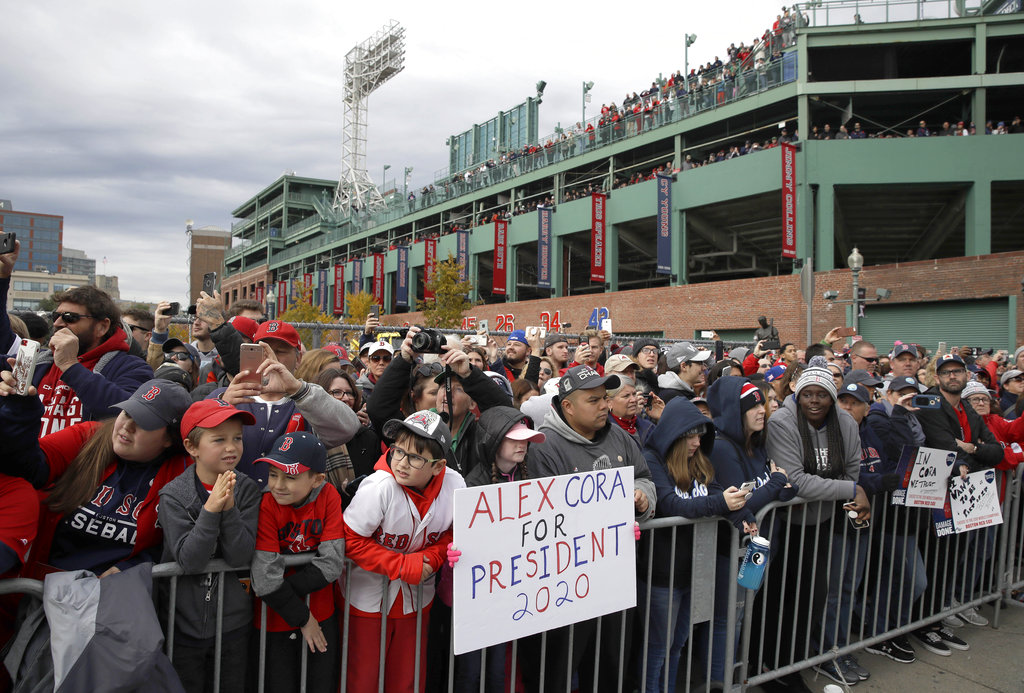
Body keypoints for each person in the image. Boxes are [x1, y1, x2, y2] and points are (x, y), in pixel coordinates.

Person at [523, 365, 656, 693]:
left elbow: (644, 476)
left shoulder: (619, 436)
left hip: (615, 579)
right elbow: (547, 517)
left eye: (605, 399)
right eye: (593, 400)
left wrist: (643, 498)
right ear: (567, 405)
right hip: (567, 587)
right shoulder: (546, 446)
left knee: (611, 666)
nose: (604, 406)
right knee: (559, 669)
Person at [0, 377, 191, 579]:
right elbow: (28, 467)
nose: (127, 426)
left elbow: (189, 542)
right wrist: (19, 411)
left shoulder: (184, 469)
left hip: (116, 599)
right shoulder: (89, 437)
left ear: (170, 438)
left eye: (144, 422)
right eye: (127, 413)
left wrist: (139, 564)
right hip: (45, 589)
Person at [342, 410, 466, 693]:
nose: (401, 463)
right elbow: (349, 539)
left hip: (417, 598)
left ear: (438, 466)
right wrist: (403, 565)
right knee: (363, 680)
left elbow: (452, 532)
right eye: (398, 451)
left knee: (407, 679)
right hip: (367, 597)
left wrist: (432, 558)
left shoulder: (455, 483)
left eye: (415, 457)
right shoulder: (378, 487)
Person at [764, 361, 868, 688]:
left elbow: (852, 468)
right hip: (781, 526)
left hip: (822, 522)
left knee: (814, 596)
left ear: (832, 398)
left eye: (821, 395)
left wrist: (850, 487)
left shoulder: (845, 424)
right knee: (777, 598)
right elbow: (796, 482)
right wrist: (850, 491)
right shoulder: (782, 421)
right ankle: (774, 666)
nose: (813, 400)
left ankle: (792, 660)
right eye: (806, 393)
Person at [638, 397, 744, 693]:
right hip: (662, 573)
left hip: (696, 570)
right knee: (657, 648)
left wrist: (742, 512)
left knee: (677, 645)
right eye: (691, 435)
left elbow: (720, 494)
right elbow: (669, 504)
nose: (697, 442)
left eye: (700, 435)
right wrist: (718, 503)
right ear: (674, 432)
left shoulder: (699, 462)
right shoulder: (652, 458)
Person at [158, 399, 260, 693]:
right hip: (183, 626)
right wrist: (211, 510)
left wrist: (228, 511)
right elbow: (190, 560)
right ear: (192, 447)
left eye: (237, 438)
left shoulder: (248, 490)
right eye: (219, 439)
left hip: (234, 624)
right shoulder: (174, 495)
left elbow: (241, 555)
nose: (231, 447)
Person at [0, 246, 153, 436]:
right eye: (55, 315)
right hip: (32, 462)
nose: (57, 323)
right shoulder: (37, 363)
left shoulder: (131, 367)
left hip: (85, 464)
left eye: (69, 317)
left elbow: (127, 415)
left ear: (102, 327)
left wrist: (70, 366)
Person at [706, 377, 796, 685]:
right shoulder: (721, 447)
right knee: (727, 620)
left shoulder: (755, 445)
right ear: (735, 411)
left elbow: (776, 489)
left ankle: (732, 680)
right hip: (731, 552)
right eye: (753, 405)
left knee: (742, 616)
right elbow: (744, 501)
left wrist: (779, 488)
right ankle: (722, 683)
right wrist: (774, 485)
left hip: (756, 550)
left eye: (763, 403)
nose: (763, 410)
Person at [450, 407, 545, 693]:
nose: (522, 444)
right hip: (477, 600)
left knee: (497, 672)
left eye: (526, 439)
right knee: (470, 674)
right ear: (493, 442)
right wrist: (452, 553)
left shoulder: (530, 480)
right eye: (513, 439)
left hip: (510, 596)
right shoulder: (471, 485)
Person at [213, 320, 361, 486]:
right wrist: (221, 407)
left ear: (298, 359)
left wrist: (297, 389)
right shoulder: (225, 395)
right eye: (261, 351)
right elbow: (195, 443)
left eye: (280, 352)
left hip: (290, 508)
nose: (270, 358)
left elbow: (349, 427)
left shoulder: (309, 401)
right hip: (234, 504)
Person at [252, 432, 345, 693]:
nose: (278, 485)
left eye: (290, 477)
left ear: (317, 479)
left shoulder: (329, 496)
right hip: (274, 620)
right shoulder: (266, 504)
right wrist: (303, 618)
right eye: (273, 474)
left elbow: (332, 563)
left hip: (321, 611)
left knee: (319, 684)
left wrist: (279, 589)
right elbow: (264, 578)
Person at [367, 327, 510, 476]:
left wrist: (469, 374)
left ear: (473, 403)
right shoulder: (417, 430)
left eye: (459, 389)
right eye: (442, 387)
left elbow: (505, 415)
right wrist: (404, 360)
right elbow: (378, 409)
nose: (448, 393)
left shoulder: (480, 435)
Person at [315, 367, 380, 486]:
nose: (345, 398)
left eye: (349, 393)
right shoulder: (310, 434)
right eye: (336, 392)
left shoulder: (367, 437)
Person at [607, 375, 655, 450]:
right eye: (626, 396)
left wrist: (661, 417)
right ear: (609, 403)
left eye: (634, 394)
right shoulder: (604, 433)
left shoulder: (648, 427)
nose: (633, 400)